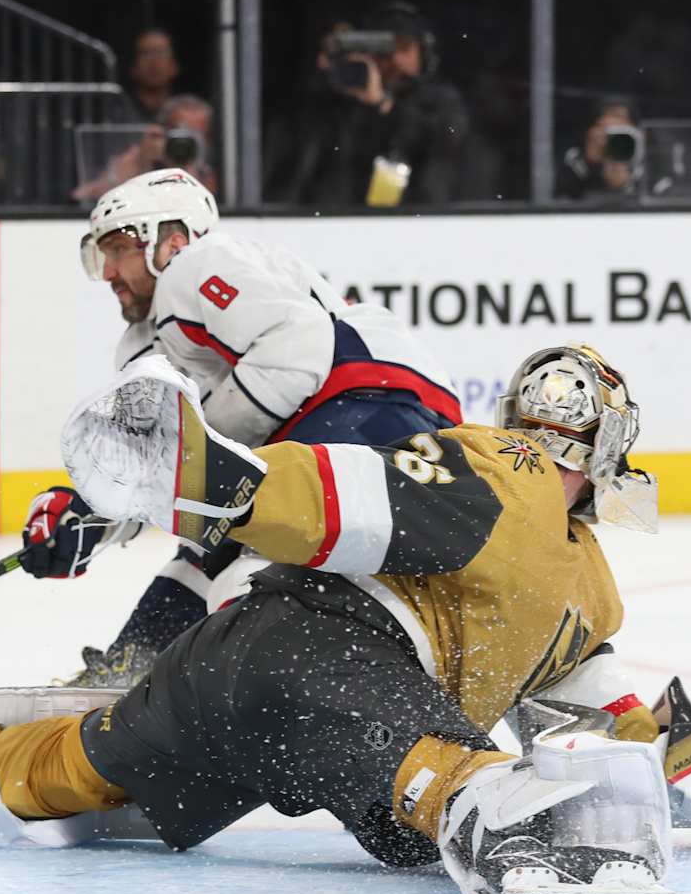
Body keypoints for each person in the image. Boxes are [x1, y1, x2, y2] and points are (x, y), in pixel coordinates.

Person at [0, 345, 691, 894]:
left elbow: (587, 686)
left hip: (243, 683)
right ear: (609, 448)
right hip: (318, 665)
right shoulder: (504, 472)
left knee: (84, 766)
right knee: (433, 780)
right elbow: (364, 495)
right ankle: (490, 808)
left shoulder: (585, 586)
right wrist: (225, 480)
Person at [23, 167, 462, 687]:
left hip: (374, 403)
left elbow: (296, 351)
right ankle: (132, 671)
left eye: (118, 248)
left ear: (171, 239)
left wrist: (197, 461)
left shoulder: (197, 266)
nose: (109, 272)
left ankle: (259, 706)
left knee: (249, 550)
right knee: (209, 538)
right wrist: (91, 514)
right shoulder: (142, 344)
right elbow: (155, 470)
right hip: (353, 419)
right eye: (99, 256)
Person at [278, 2, 470, 207]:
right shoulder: (336, 103)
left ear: (423, 52)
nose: (394, 58)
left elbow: (442, 143)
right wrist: (328, 72)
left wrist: (383, 106)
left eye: (404, 47)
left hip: (415, 220)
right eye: (383, 50)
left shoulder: (441, 102)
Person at [71, 92, 220, 202]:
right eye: (178, 134)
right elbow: (81, 196)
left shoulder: (221, 169)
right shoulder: (137, 158)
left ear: (208, 140)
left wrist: (192, 171)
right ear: (162, 131)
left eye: (194, 136)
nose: (183, 143)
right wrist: (140, 163)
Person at [558, 96, 638, 201]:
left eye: (621, 131)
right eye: (608, 132)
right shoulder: (575, 158)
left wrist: (627, 182)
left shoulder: (652, 157)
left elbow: (660, 196)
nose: (614, 140)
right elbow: (563, 198)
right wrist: (590, 163)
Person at [125, 28, 178, 123]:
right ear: (133, 67)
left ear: (174, 66)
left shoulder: (185, 112)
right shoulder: (116, 113)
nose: (154, 62)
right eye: (146, 53)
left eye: (161, 53)